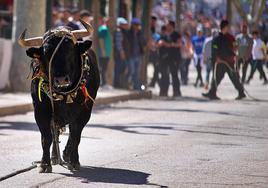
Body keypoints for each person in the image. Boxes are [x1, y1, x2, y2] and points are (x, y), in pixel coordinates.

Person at [202, 20, 246, 100]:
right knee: (216, 77)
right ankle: (212, 93)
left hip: (229, 61)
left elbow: (235, 47)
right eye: (227, 26)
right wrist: (216, 58)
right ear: (224, 27)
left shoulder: (231, 37)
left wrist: (236, 50)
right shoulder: (217, 38)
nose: (228, 28)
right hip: (221, 61)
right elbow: (214, 48)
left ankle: (241, 92)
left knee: (234, 78)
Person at [158, 20, 182, 97]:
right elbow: (159, 42)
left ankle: (176, 92)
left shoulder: (176, 34)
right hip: (164, 57)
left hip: (174, 57)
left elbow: (179, 44)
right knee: (164, 75)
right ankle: (163, 91)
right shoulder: (164, 34)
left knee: (174, 75)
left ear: (172, 26)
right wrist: (160, 43)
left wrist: (169, 44)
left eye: (168, 25)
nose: (167, 26)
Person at [128, 18, 146, 90]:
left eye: (138, 25)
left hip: (138, 55)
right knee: (131, 71)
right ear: (132, 25)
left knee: (137, 72)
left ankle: (136, 86)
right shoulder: (128, 33)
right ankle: (128, 84)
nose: (137, 26)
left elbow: (144, 43)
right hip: (131, 55)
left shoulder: (140, 33)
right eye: (135, 25)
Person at [113, 17, 129, 88]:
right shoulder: (119, 31)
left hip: (122, 54)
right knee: (118, 69)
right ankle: (117, 84)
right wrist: (122, 53)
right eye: (124, 24)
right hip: (120, 55)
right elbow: (119, 44)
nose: (126, 25)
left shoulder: (123, 32)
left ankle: (120, 83)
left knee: (121, 69)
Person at [98, 17, 112, 86]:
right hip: (103, 53)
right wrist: (103, 50)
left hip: (106, 53)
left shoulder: (107, 29)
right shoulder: (104, 29)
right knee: (103, 68)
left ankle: (104, 82)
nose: (111, 23)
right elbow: (101, 39)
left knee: (104, 68)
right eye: (109, 22)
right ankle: (103, 83)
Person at [149, 15, 161, 87]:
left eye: (154, 21)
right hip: (149, 51)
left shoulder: (154, 30)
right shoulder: (148, 29)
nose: (153, 23)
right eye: (152, 21)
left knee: (156, 67)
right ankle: (156, 81)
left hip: (154, 51)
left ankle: (155, 82)